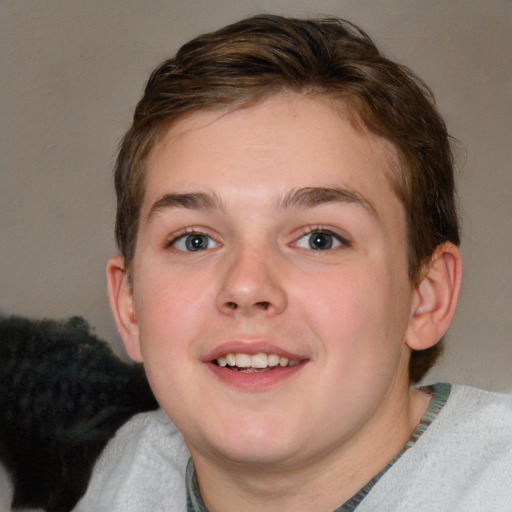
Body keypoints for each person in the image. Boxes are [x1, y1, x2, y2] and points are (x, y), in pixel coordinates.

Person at [74, 14, 511, 511]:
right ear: (130, 307)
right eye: (195, 240)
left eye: (320, 239)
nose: (246, 285)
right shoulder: (132, 474)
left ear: (425, 297)